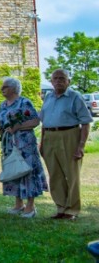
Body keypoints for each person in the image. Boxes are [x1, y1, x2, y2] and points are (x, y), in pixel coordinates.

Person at [40, 68, 92, 220]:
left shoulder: (75, 97)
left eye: (62, 78)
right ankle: (61, 207)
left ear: (69, 81)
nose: (58, 81)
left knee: (71, 175)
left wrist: (81, 146)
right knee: (55, 175)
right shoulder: (48, 97)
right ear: (51, 81)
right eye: (55, 78)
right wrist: (42, 143)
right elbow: (44, 122)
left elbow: (86, 123)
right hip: (49, 136)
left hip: (69, 135)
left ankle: (72, 210)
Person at [0, 77, 48, 218]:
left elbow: (35, 120)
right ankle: (18, 204)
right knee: (14, 170)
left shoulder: (24, 102)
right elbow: (1, 122)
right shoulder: (3, 105)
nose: (2, 89)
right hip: (9, 143)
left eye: (5, 87)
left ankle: (31, 206)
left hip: (24, 142)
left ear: (14, 88)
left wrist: (19, 127)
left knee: (27, 171)